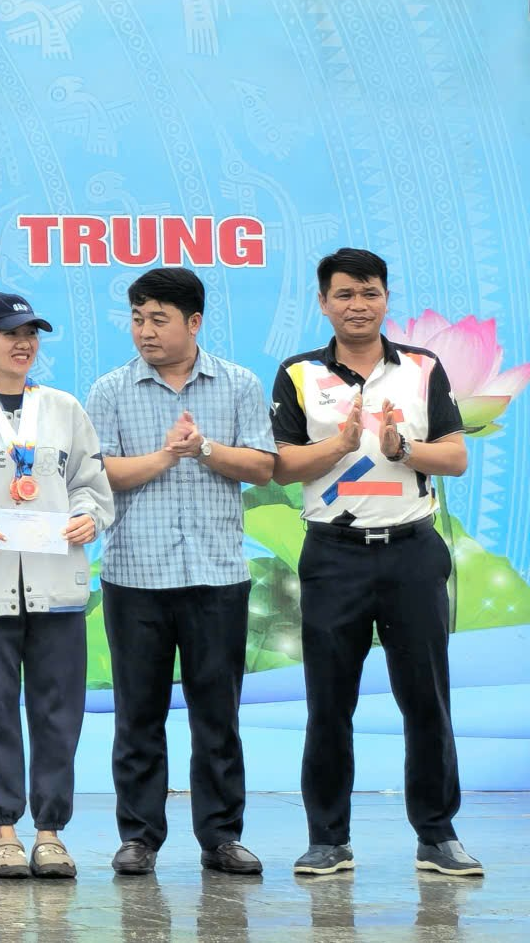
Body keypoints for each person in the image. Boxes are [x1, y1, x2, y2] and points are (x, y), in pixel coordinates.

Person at [271, 249, 481, 877]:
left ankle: (437, 836)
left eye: (369, 293)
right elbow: (282, 465)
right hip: (334, 556)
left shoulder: (422, 367)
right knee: (329, 704)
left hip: (412, 553)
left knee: (427, 700)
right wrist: (338, 445)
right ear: (323, 303)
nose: (357, 305)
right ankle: (327, 838)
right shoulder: (299, 374)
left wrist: (403, 447)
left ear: (386, 299)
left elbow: (456, 457)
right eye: (343, 294)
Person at [86, 268, 275, 878]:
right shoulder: (110, 390)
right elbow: (100, 474)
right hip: (135, 575)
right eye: (137, 318)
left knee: (217, 715)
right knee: (137, 715)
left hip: (216, 575)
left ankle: (221, 837)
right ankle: (139, 836)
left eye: (158, 319)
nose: (145, 331)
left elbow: (263, 466)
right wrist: (168, 455)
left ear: (194, 323)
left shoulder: (238, 383)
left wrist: (205, 450)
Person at [0, 292, 113, 881]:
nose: (24, 343)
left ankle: (51, 833)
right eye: (10, 333)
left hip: (56, 586)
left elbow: (90, 483)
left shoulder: (63, 408)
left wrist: (88, 515)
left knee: (58, 715)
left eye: (31, 333)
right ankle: (4, 832)